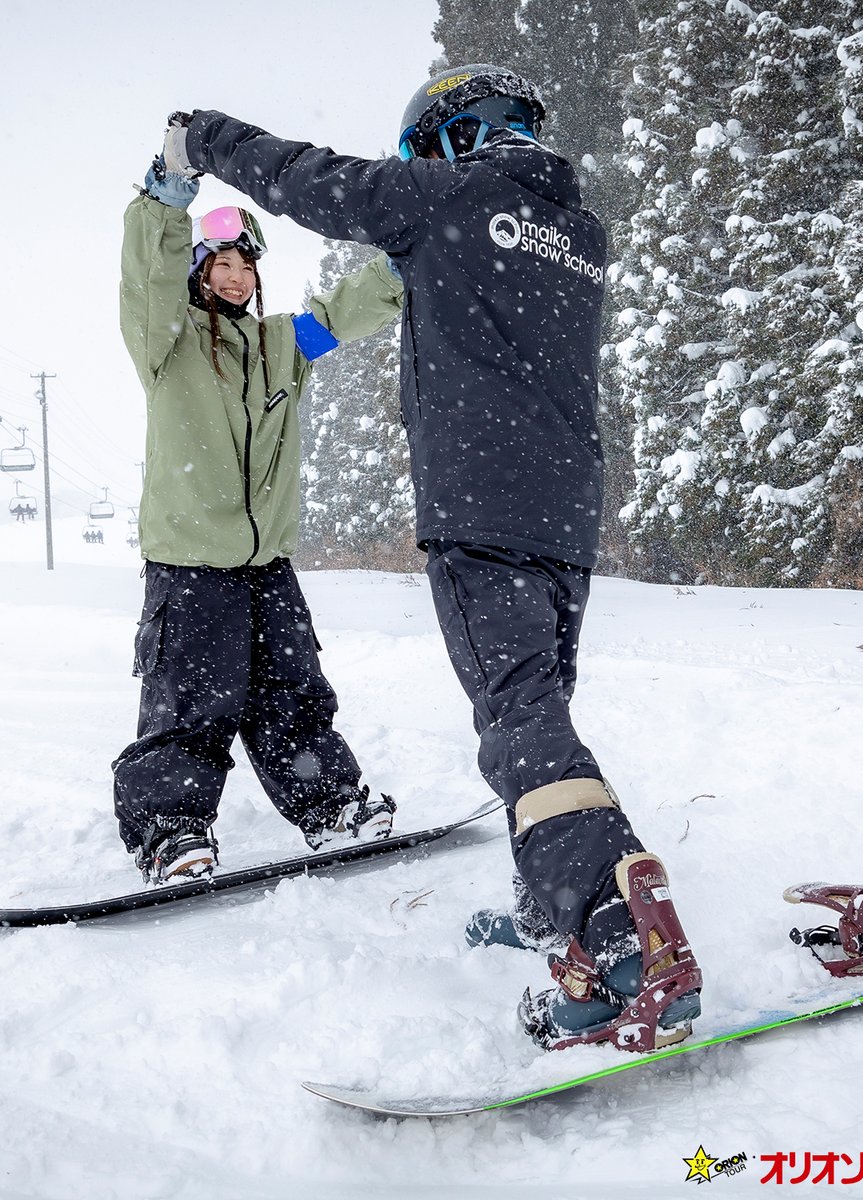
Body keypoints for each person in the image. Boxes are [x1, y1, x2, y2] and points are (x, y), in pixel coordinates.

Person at [161, 66, 702, 1052]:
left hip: (481, 510)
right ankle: (554, 918)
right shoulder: (577, 230)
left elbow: (307, 178)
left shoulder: (452, 194)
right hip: (563, 514)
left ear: (455, 139)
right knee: (537, 709)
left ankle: (618, 927)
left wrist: (204, 138)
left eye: (421, 151)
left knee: (518, 720)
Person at [114, 146, 403, 885]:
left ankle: (331, 804)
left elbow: (340, 314)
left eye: (246, 264)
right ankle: (170, 831)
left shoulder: (284, 346)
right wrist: (166, 202)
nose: (237, 277)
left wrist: (405, 265)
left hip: (267, 566)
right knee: (190, 704)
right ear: (198, 270)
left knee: (294, 693)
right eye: (222, 264)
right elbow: (146, 285)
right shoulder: (167, 343)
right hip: (191, 564)